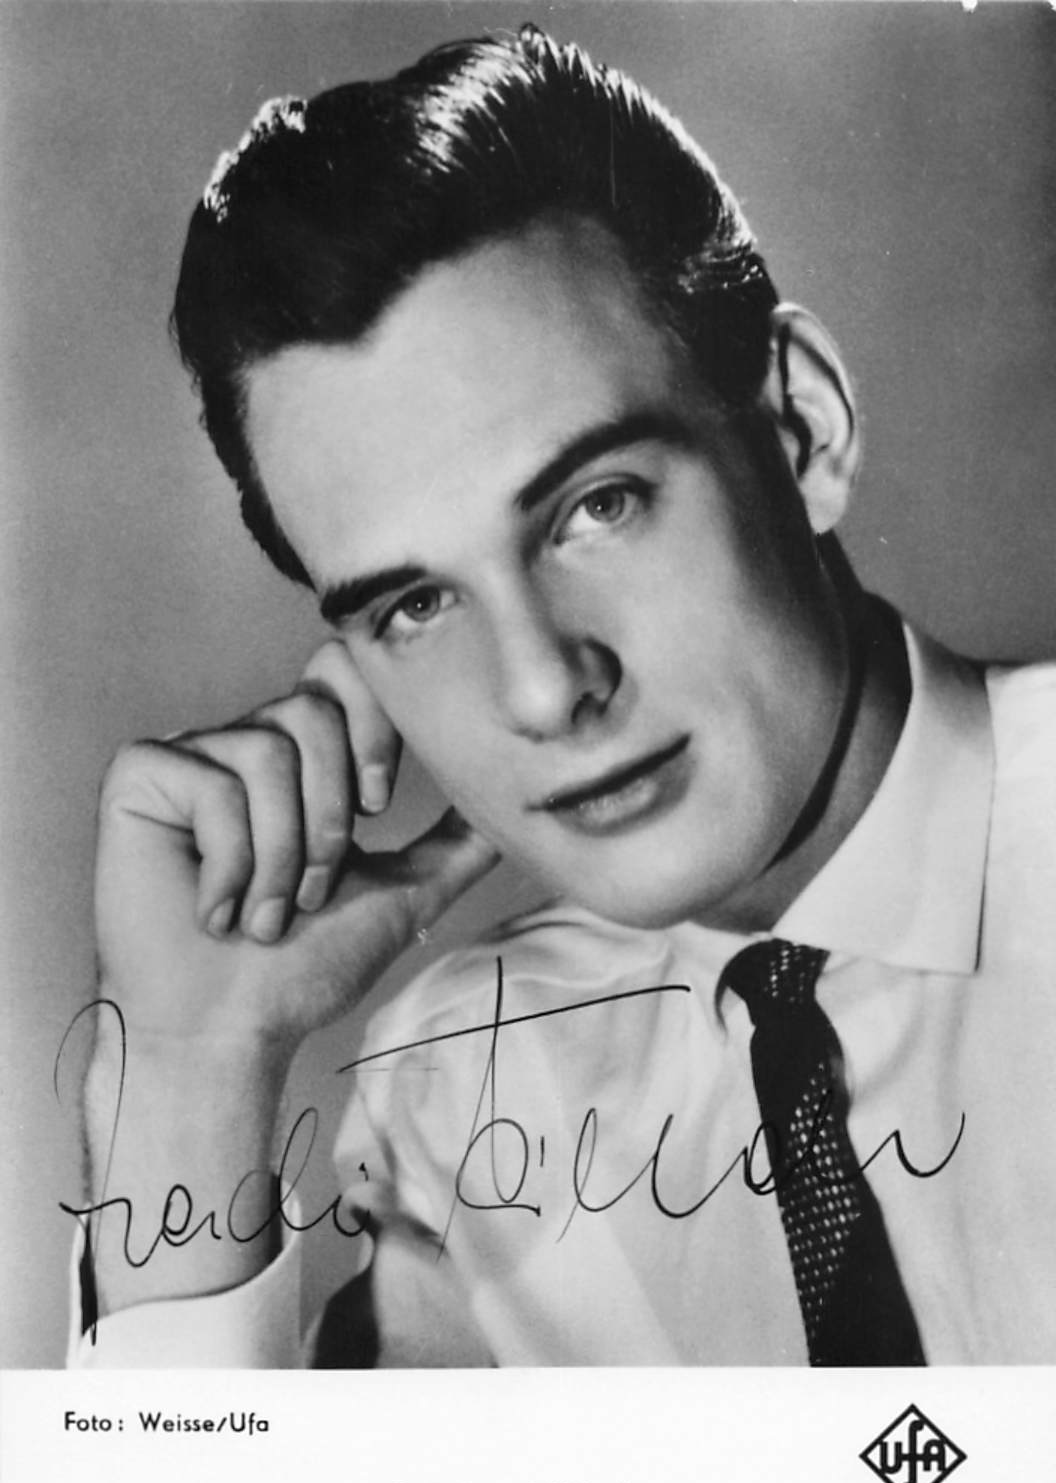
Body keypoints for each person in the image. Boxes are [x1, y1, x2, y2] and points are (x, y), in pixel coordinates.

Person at [69, 25, 1056, 1369]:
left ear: (802, 429)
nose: (542, 687)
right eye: (415, 605)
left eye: (598, 506)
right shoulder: (463, 1096)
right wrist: (193, 1072)